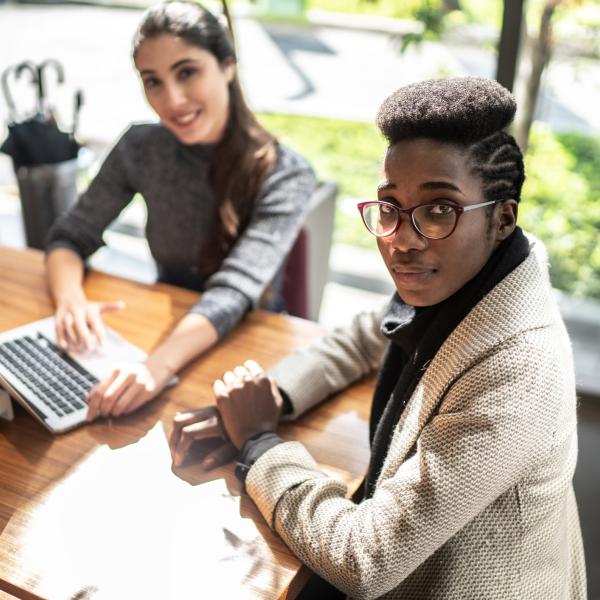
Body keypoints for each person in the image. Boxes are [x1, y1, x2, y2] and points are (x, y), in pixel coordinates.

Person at [169, 77, 587, 598]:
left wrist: (260, 443)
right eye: (390, 207)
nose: (402, 240)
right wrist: (270, 397)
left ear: (503, 218)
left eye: (439, 209)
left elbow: (365, 560)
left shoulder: (519, 369)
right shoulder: (469, 282)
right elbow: (364, 335)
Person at [45, 1, 316, 421]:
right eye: (153, 81)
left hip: (246, 347)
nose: (171, 99)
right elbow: (71, 233)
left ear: (227, 66)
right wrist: (70, 301)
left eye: (187, 72)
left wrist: (155, 369)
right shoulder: (140, 147)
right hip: (164, 327)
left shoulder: (285, 173)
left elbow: (232, 292)